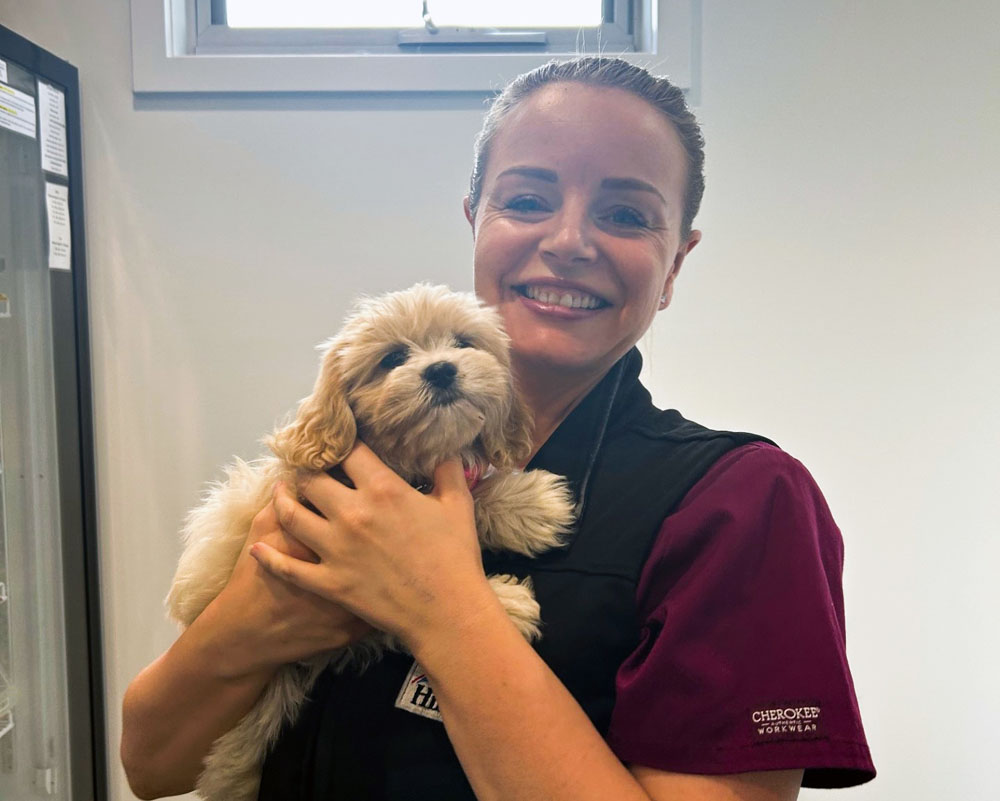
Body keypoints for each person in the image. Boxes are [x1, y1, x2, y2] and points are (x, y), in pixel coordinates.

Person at [121, 57, 875, 800]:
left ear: (675, 262)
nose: (569, 241)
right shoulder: (342, 466)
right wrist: (252, 621)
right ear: (475, 219)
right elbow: (150, 765)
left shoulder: (743, 504)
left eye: (623, 214)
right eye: (527, 199)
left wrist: (442, 607)